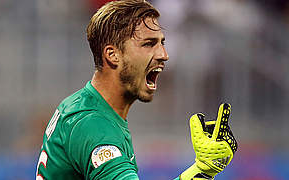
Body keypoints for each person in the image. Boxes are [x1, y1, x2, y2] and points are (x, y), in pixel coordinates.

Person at [35, 0, 237, 179]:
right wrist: (203, 171)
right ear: (112, 55)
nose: (164, 54)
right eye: (149, 44)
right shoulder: (95, 128)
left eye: (162, 43)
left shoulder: (80, 103)